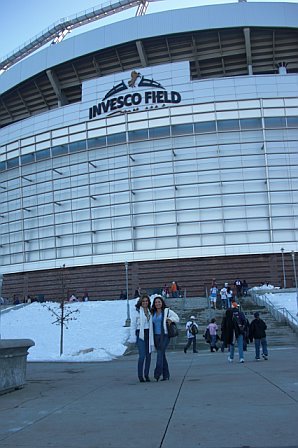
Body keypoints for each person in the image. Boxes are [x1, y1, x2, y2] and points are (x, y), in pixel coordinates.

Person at [151, 295, 179, 381]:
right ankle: (166, 375)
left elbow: (177, 318)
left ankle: (157, 372)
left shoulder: (167, 311)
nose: (157, 304)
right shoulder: (152, 313)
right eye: (156, 302)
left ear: (162, 303)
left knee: (160, 352)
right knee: (162, 354)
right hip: (155, 336)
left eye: (159, 302)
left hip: (165, 335)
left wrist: (170, 319)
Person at [134, 294, 155, 382]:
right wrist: (133, 337)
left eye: (146, 301)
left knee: (148, 356)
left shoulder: (150, 311)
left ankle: (146, 374)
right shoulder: (137, 311)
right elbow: (133, 325)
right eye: (143, 301)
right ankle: (140, 375)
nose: (145, 303)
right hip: (140, 333)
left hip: (149, 333)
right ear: (140, 302)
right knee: (142, 356)